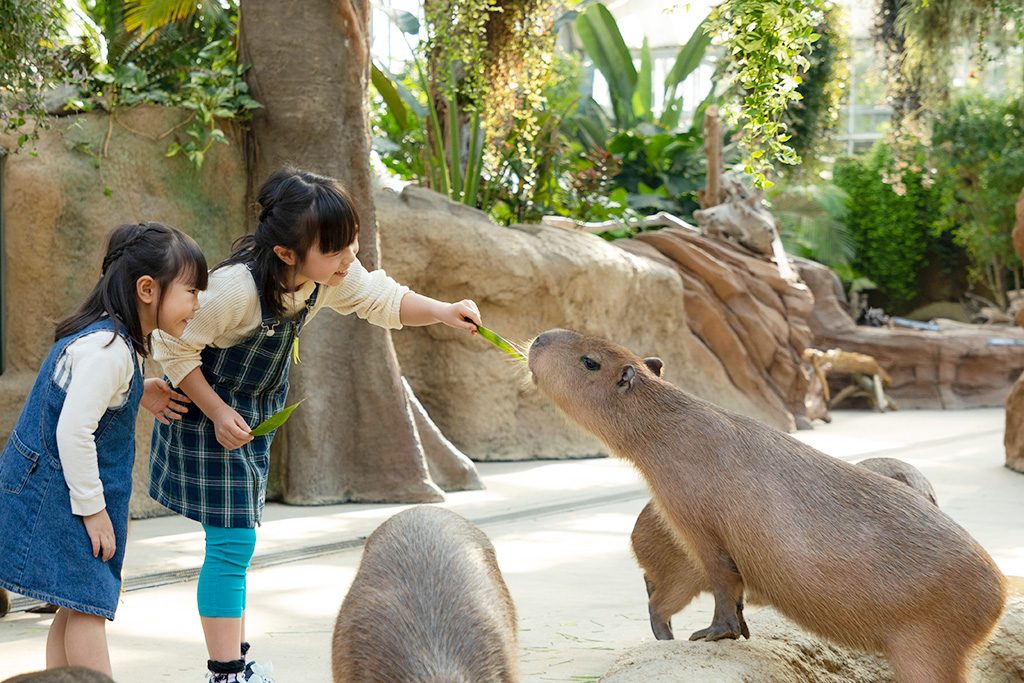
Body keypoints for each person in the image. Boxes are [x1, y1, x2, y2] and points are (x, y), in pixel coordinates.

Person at [149, 168, 481, 682]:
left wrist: (443, 310)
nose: (350, 260)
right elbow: (171, 342)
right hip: (207, 415)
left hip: (249, 419)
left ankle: (236, 658)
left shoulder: (326, 279)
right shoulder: (233, 290)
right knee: (232, 543)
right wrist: (215, 411)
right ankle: (226, 672)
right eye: (336, 251)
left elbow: (382, 298)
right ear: (286, 253)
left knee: (238, 540)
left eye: (350, 244)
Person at [0, 222, 207, 677]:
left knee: (74, 604)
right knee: (89, 608)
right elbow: (73, 430)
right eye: (192, 291)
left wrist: (139, 391)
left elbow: (89, 403)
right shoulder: (109, 350)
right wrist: (94, 510)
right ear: (148, 289)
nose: (197, 303)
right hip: (63, 501)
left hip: (60, 496)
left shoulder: (109, 342)